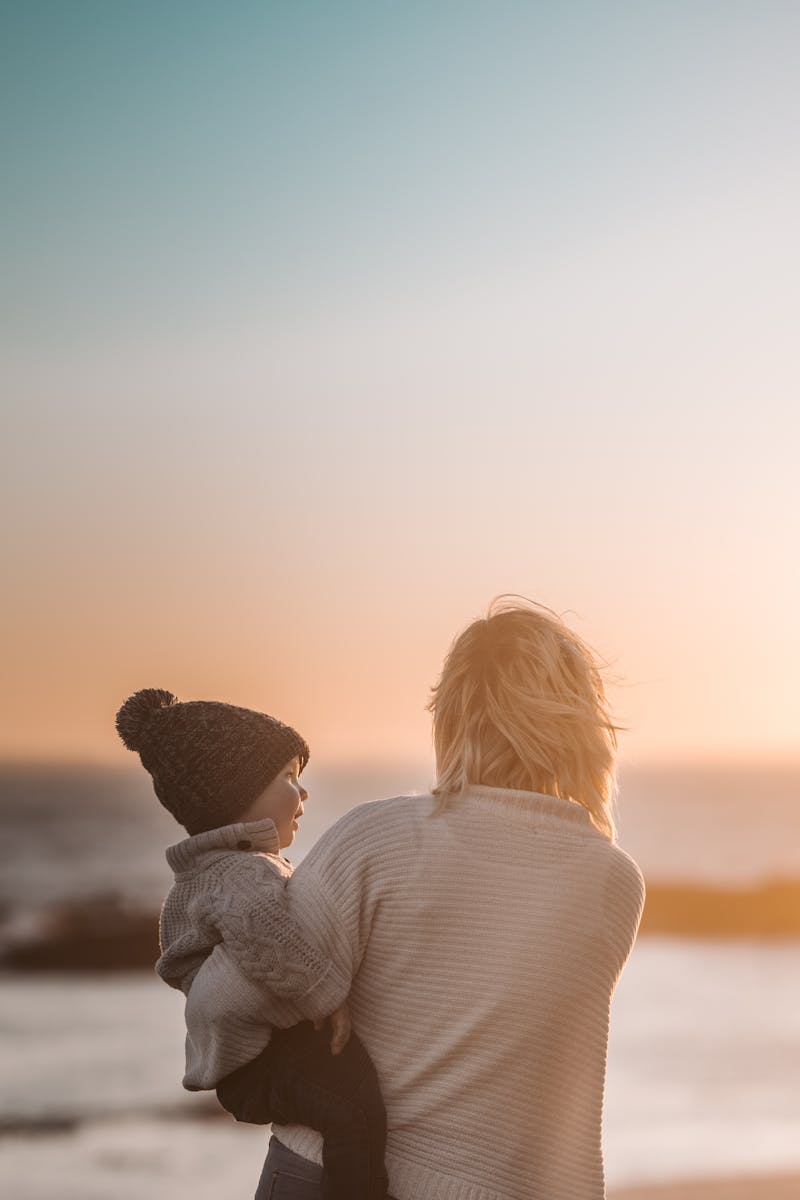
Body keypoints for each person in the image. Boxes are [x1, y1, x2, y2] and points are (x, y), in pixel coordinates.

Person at [217, 598, 646, 1200]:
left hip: (320, 1174)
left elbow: (240, 997)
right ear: (579, 726)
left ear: (452, 716)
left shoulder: (376, 837)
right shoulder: (613, 881)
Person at [114, 687, 389, 1200]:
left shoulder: (213, 870)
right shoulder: (242, 875)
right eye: (288, 776)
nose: (303, 793)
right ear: (234, 794)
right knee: (353, 1107)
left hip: (248, 1062)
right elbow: (277, 945)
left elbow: (184, 960)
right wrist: (329, 1000)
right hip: (258, 1066)